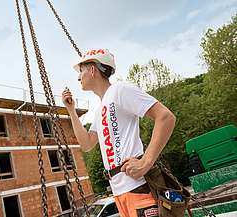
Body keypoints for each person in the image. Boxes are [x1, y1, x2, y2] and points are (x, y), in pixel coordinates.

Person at [62, 48, 176, 217]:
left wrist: (146, 162)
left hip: (138, 188)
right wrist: (71, 111)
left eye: (81, 71)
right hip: (119, 194)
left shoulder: (121, 90)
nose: (78, 77)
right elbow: (86, 144)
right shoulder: (100, 109)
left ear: (92, 70)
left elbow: (166, 117)